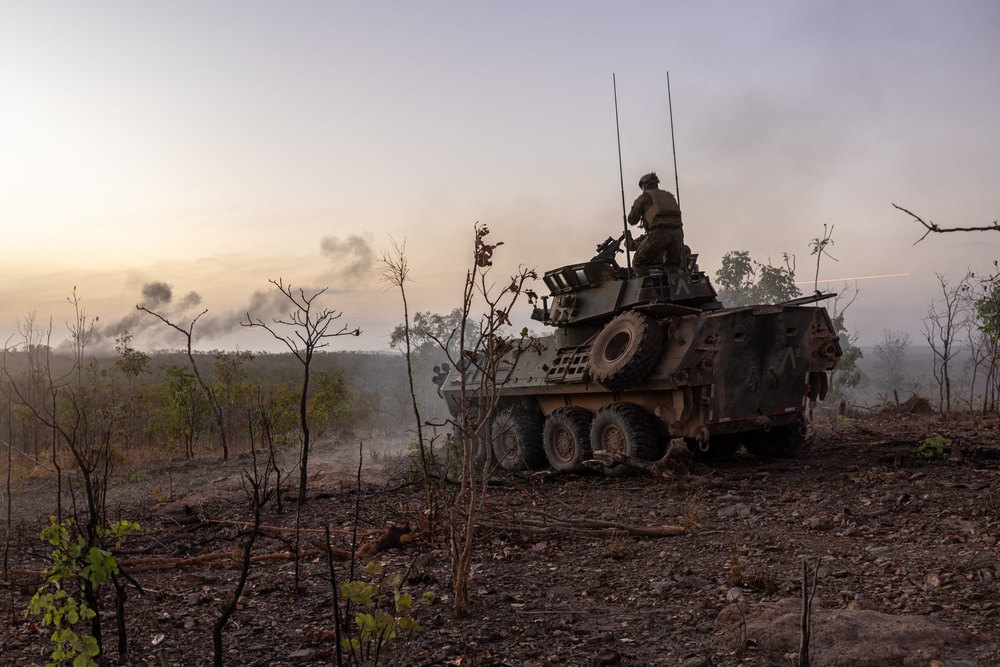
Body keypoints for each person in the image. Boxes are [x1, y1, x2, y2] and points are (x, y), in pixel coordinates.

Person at [626, 172, 685, 276]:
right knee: (671, 265)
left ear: (644, 185)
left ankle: (649, 290)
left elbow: (632, 220)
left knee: (638, 262)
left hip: (659, 233)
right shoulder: (669, 196)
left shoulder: (645, 197)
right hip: (678, 234)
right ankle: (676, 289)